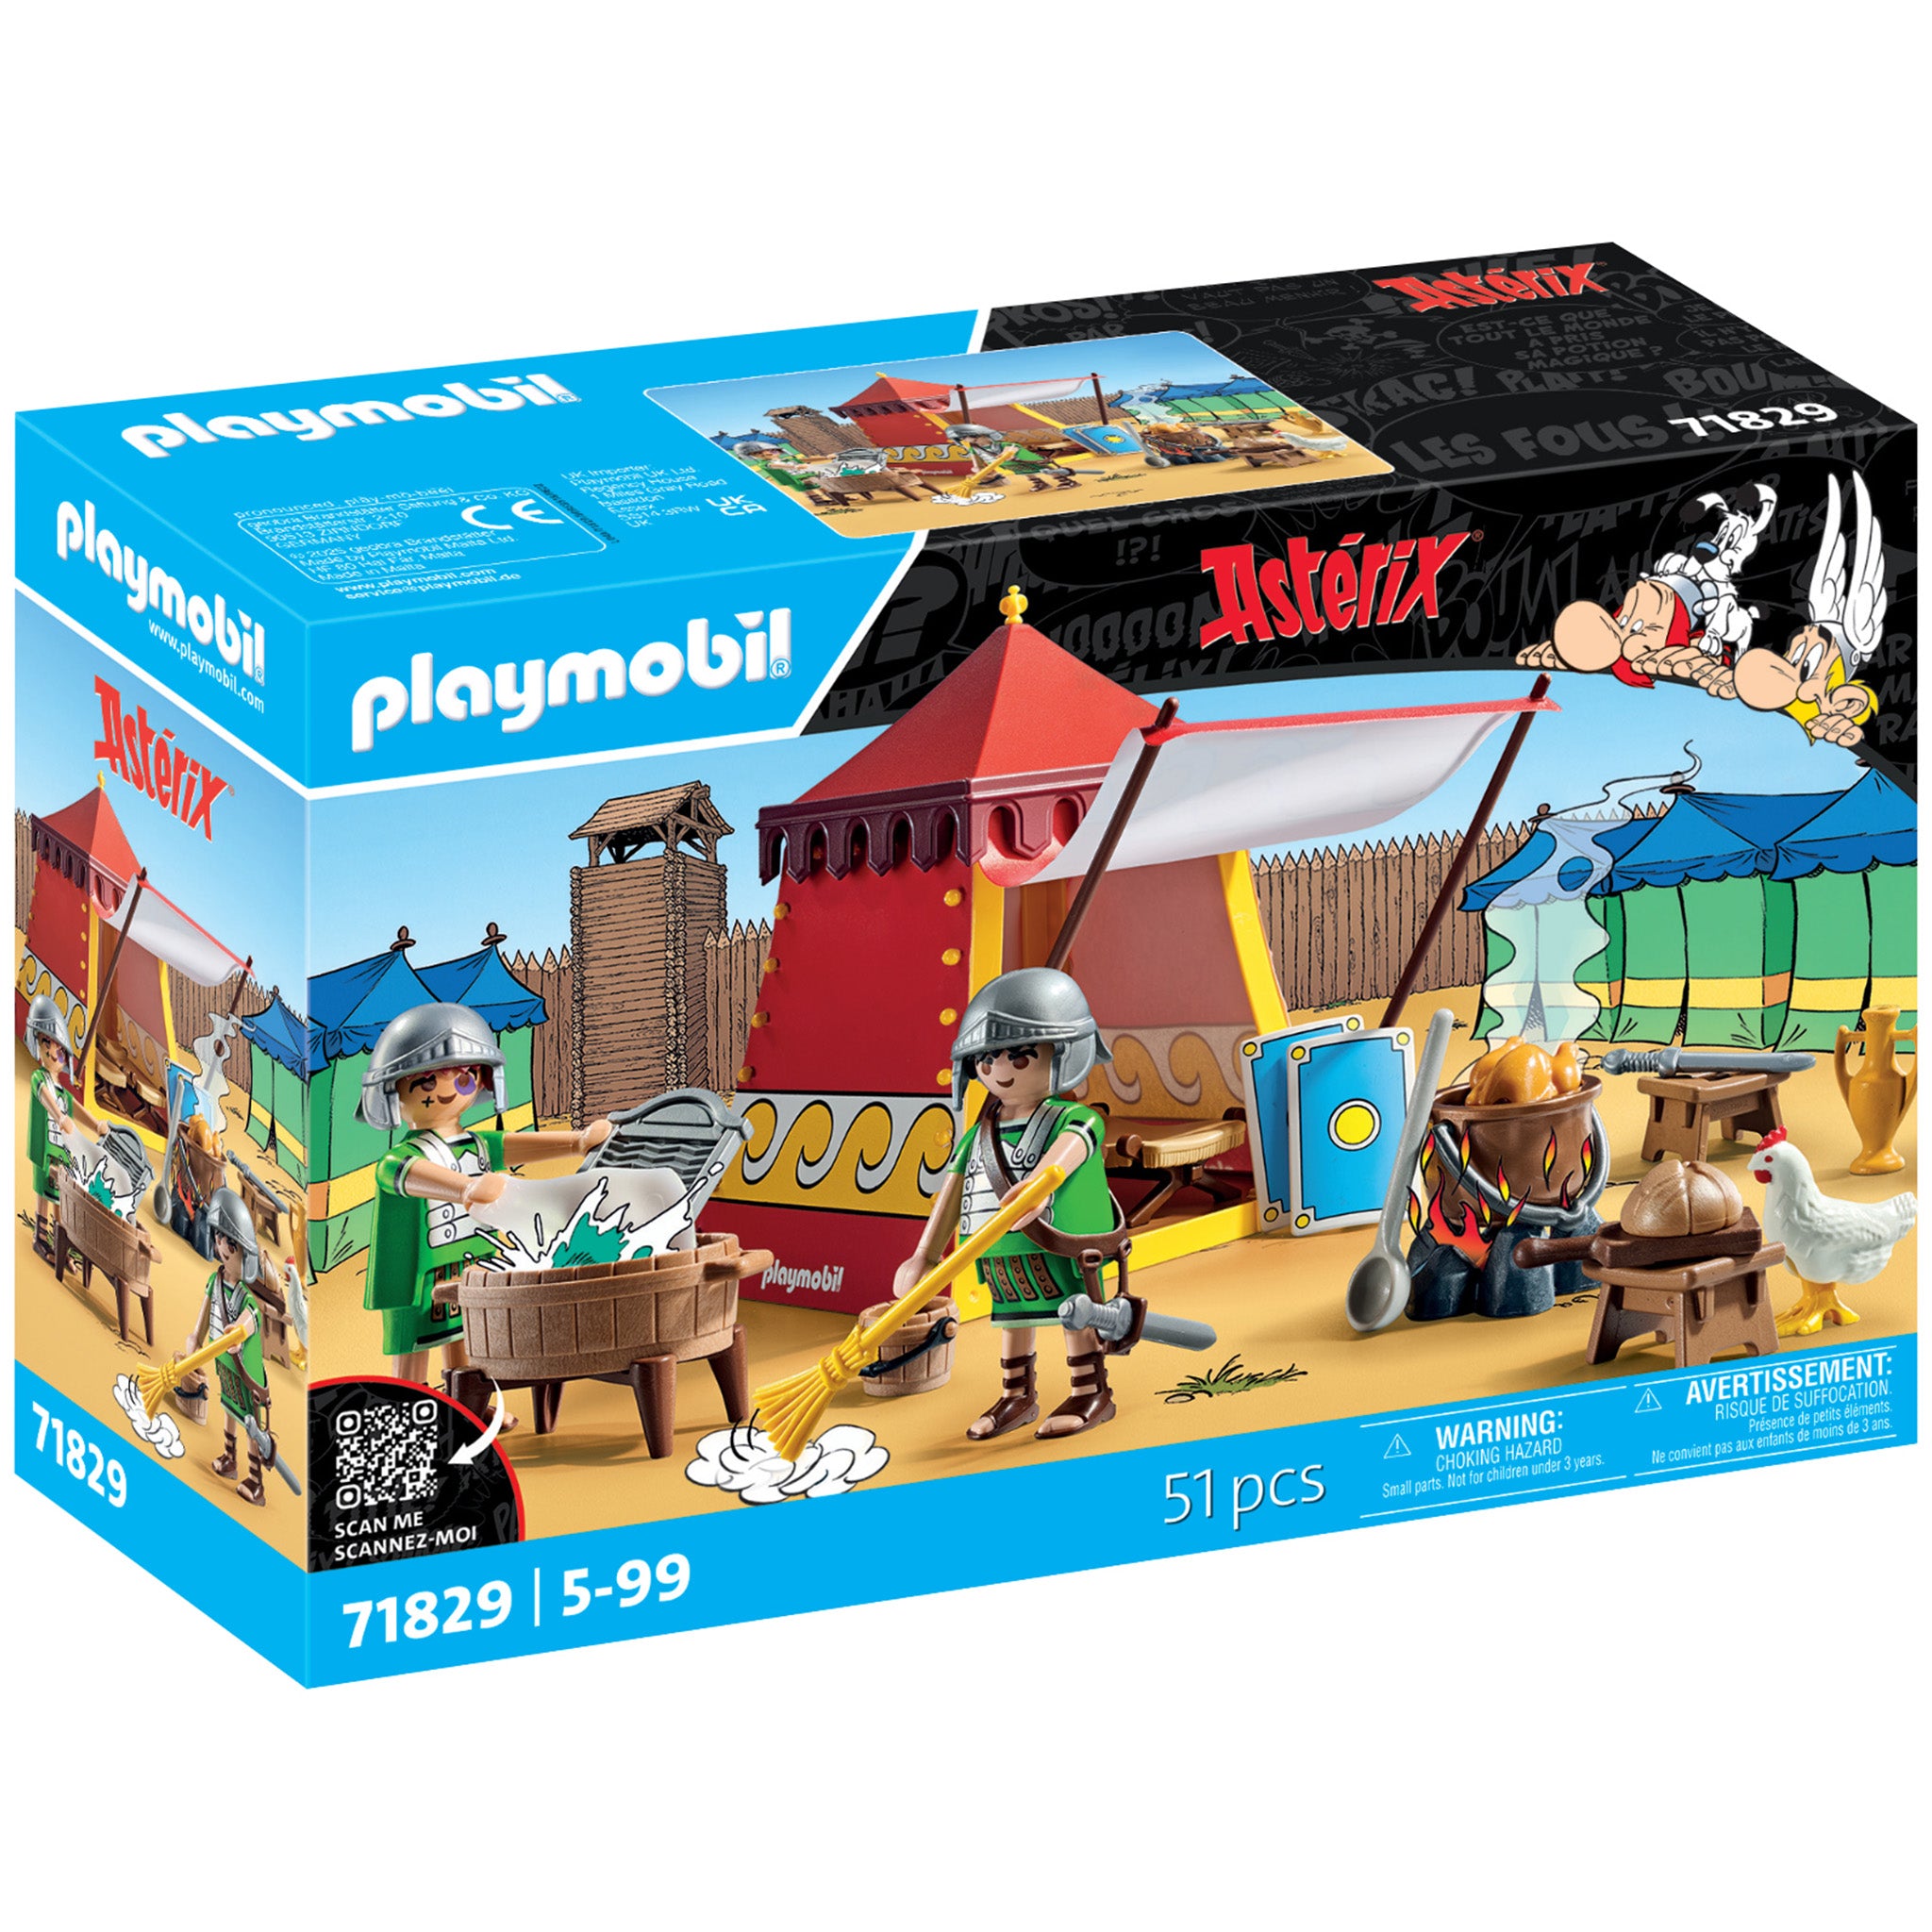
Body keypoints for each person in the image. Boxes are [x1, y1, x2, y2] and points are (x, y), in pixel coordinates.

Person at [893, 968, 1126, 1441]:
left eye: (1020, 1056)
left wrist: (1039, 1184)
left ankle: (1090, 1392)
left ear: (1064, 1053)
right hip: (1001, 1254)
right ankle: (1016, 1396)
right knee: (1014, 1319)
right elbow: (952, 1194)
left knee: (1075, 1313)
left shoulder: (1074, 1118)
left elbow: (1070, 1150)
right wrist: (924, 1255)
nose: (1000, 1069)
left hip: (1058, 1245)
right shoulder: (979, 1134)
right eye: (988, 1058)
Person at [358, 1002, 611, 1430]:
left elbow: (514, 1144)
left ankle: (466, 1406)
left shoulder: (475, 1144)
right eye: (426, 1080)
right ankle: (407, 1419)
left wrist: (577, 1141)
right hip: (418, 1277)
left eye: (463, 1078)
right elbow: (414, 1176)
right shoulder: (398, 1158)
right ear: (392, 1089)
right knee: (414, 1347)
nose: (446, 1091)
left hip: (471, 1262)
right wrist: (466, 1188)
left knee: (467, 1337)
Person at [179, 1188, 275, 1506]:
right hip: (224, 1364)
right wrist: (194, 1339)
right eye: (219, 1239)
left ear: (242, 1251)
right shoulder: (215, 1281)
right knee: (228, 1408)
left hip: (246, 1374)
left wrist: (238, 1332)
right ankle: (230, 1458)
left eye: (228, 1244)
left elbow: (250, 1321)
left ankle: (255, 1480)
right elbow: (204, 1317)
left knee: (250, 1423)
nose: (222, 1248)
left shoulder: (247, 1298)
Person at [24, 993, 103, 1264]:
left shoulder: (60, 1090)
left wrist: (96, 1124)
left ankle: (61, 1247)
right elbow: (43, 1095)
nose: (51, 1052)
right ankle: (40, 1238)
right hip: (45, 1149)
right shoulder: (40, 1078)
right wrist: (59, 1117)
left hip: (61, 1151)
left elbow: (75, 1107)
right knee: (44, 1194)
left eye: (56, 1048)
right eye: (45, 1043)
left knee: (60, 1197)